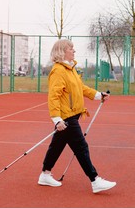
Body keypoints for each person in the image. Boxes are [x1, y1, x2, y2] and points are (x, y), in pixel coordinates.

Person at [38, 39, 116, 194]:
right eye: (71, 49)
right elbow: (53, 96)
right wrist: (57, 119)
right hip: (66, 117)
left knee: (57, 146)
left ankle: (45, 174)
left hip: (73, 114)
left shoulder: (71, 69)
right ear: (62, 51)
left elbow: (80, 88)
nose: (74, 51)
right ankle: (95, 180)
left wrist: (97, 95)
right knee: (81, 147)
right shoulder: (58, 71)